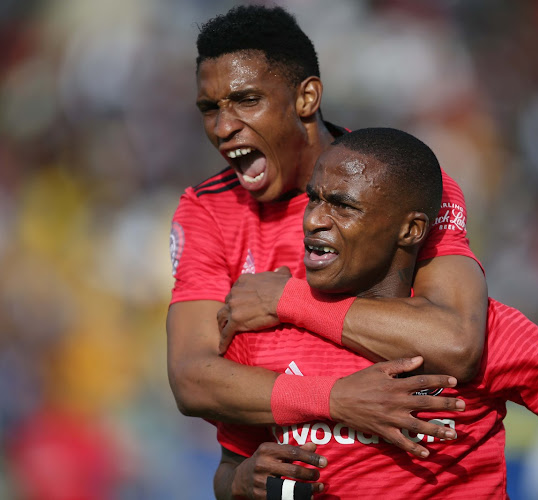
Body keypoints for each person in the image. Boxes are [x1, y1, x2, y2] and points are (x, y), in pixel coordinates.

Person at [214, 128, 538, 500]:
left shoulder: (489, 331)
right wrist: (241, 481)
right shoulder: (261, 327)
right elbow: (229, 468)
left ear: (410, 230)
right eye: (315, 199)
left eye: (342, 206)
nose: (315, 219)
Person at [166, 3, 486, 460]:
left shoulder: (404, 183)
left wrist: (286, 300)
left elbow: (455, 343)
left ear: (306, 98)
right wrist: (334, 399)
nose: (223, 127)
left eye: (247, 100)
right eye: (209, 108)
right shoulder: (206, 209)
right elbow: (192, 378)